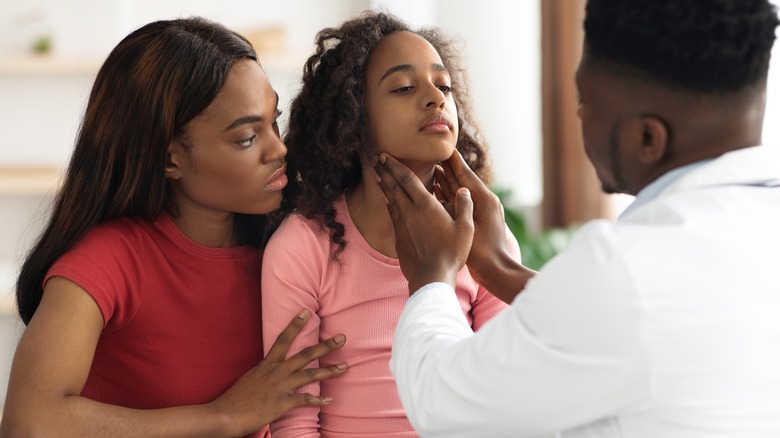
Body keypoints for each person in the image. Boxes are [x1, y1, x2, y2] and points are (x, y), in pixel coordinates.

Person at [374, 0, 780, 436]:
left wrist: (432, 274)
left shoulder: (624, 270)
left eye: (585, 100)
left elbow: (444, 407)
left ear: (647, 137)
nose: (579, 114)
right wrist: (500, 269)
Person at [1, 17, 349, 438]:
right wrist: (224, 417)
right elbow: (30, 422)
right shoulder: (107, 260)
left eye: (273, 121)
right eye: (246, 138)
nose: (278, 149)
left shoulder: (288, 246)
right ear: (169, 159)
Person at [259, 11, 520, 437]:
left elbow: (507, 395)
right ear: (352, 118)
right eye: (403, 87)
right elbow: (294, 418)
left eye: (444, 85)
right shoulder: (303, 247)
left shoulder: (486, 240)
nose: (436, 97)